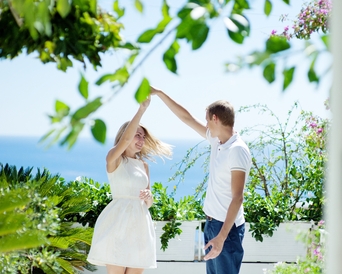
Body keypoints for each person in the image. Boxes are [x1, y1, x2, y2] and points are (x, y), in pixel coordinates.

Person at [151, 86, 252, 274]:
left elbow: (237, 197)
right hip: (213, 224)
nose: (205, 125)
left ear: (215, 118)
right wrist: (160, 94)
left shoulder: (237, 150)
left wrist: (221, 237)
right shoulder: (218, 141)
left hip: (226, 230)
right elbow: (186, 118)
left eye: (207, 120)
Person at [87, 97, 172, 274]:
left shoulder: (144, 166)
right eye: (137, 135)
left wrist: (149, 198)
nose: (141, 139)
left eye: (143, 136)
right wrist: (141, 110)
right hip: (117, 224)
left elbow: (148, 202)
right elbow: (124, 142)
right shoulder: (114, 158)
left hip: (140, 226)